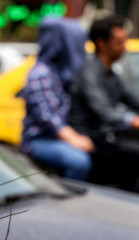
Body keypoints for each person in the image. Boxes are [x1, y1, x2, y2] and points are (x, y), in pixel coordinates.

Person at [68, 16, 139, 192]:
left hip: (108, 137)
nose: (123, 47)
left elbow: (134, 100)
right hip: (93, 140)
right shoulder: (90, 73)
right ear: (101, 43)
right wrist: (138, 121)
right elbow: (105, 112)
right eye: (119, 42)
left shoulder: (111, 75)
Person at [20, 17, 93, 181]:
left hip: (56, 136)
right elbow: (49, 118)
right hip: (39, 140)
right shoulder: (41, 73)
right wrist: (75, 139)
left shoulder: (60, 72)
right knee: (79, 161)